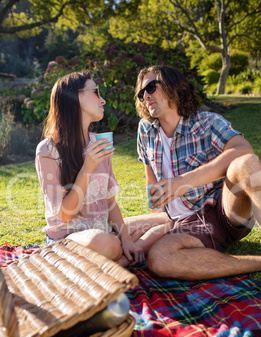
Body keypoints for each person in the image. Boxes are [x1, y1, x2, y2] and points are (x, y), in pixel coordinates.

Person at [135, 65, 261, 280]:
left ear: (172, 87)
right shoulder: (145, 131)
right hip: (188, 224)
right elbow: (151, 184)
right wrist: (157, 220)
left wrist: (183, 182)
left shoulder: (206, 122)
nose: (146, 96)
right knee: (160, 257)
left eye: (151, 87)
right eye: (142, 93)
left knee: (246, 164)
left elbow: (244, 149)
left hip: (223, 210)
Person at [35, 71, 172, 267]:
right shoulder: (48, 151)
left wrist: (126, 239)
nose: (103, 100)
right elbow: (64, 215)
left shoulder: (98, 143)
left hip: (102, 230)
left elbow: (109, 201)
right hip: (67, 240)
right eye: (96, 92)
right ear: (74, 98)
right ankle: (121, 256)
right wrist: (88, 167)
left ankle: (124, 255)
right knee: (107, 243)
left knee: (167, 221)